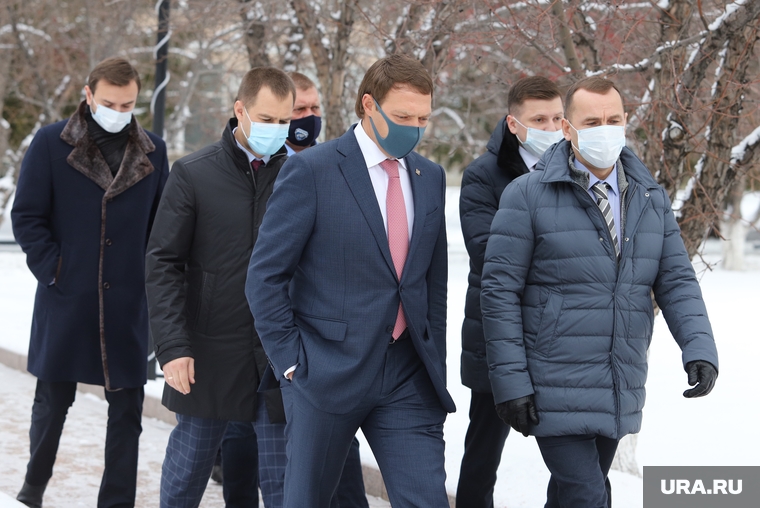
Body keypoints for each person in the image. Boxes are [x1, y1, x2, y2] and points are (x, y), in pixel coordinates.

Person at [480, 76, 719, 508]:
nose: (604, 130)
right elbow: (499, 293)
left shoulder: (650, 197)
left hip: (617, 382)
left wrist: (699, 348)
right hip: (551, 385)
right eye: (591, 122)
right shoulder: (526, 195)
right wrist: (511, 382)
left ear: (625, 122)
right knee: (588, 497)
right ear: (567, 128)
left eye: (613, 120)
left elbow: (676, 280)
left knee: (572, 498)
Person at [246, 54, 454, 508]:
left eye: (422, 118)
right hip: (324, 371)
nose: (414, 128)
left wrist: (432, 358)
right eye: (403, 117)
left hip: (407, 375)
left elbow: (430, 282)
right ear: (369, 105)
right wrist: (292, 364)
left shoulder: (430, 176)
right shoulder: (312, 170)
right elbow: (265, 276)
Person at [11, 56, 169, 508]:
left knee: (127, 413)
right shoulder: (50, 143)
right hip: (68, 298)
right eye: (109, 103)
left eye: (127, 105)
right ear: (88, 94)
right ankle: (32, 489)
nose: (118, 112)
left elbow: (161, 228)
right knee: (51, 403)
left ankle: (116, 502)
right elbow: (27, 216)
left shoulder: (154, 152)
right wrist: (55, 270)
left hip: (127, 304)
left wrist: (149, 280)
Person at [145, 67, 294, 508]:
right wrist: (173, 347)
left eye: (284, 121)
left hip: (278, 358)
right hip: (206, 355)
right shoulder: (193, 173)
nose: (276, 130)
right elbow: (162, 263)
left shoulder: (300, 175)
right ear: (240, 110)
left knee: (286, 485)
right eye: (266, 119)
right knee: (186, 477)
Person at [457, 76, 563, 508]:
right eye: (539, 120)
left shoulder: (578, 168)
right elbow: (488, 254)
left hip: (562, 333)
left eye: (557, 118)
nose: (551, 128)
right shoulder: (483, 176)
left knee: (576, 454)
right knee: (483, 451)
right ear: (513, 124)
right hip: (497, 335)